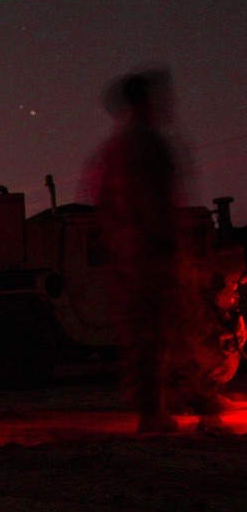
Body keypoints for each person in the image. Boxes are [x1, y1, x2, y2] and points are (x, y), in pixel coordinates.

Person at [86, 68, 191, 434]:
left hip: (128, 254)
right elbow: (154, 202)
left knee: (143, 336)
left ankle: (155, 407)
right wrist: (165, 245)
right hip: (146, 254)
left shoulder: (114, 147)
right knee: (152, 335)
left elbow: (100, 199)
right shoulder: (144, 143)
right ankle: (153, 413)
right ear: (143, 100)